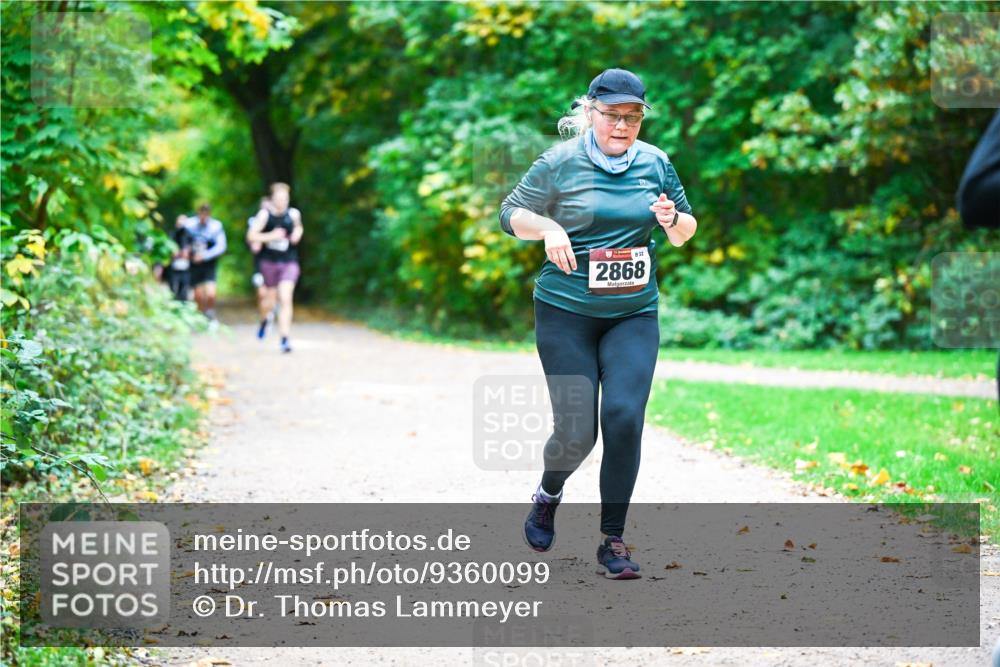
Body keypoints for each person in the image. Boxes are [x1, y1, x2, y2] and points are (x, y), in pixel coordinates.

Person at [499, 69, 697, 579]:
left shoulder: (656, 163)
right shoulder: (559, 163)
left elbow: (685, 232)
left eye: (633, 118)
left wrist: (671, 218)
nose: (622, 127)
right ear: (590, 112)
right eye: (612, 116)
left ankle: (614, 540)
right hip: (566, 312)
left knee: (625, 416)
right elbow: (511, 213)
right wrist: (547, 227)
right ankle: (549, 493)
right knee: (576, 429)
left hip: (633, 311)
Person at [246, 182, 303, 353]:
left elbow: (299, 227)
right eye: (279, 199)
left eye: (285, 199)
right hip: (269, 262)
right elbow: (251, 235)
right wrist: (271, 236)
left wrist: (296, 235)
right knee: (269, 300)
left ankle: (285, 338)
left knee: (285, 297)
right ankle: (265, 320)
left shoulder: (293, 214)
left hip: (289, 261)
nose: (282, 202)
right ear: (273, 199)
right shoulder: (264, 215)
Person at [186, 204, 227, 320]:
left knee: (210, 293)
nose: (203, 217)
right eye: (201, 214)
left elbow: (221, 246)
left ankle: (210, 313)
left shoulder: (216, 226)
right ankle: (201, 317)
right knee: (198, 294)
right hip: (194, 263)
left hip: (209, 263)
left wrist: (204, 256)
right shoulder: (189, 225)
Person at [247, 196, 273, 333]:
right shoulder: (253, 223)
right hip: (260, 265)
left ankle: (269, 315)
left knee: (275, 294)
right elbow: (253, 246)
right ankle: (264, 318)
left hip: (276, 263)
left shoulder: (278, 222)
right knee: (262, 293)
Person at [168, 214, 193, 301]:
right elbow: (169, 249)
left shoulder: (190, 235)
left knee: (184, 291)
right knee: (172, 290)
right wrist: (174, 252)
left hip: (186, 267)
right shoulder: (172, 234)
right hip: (173, 267)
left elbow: (193, 249)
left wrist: (188, 251)